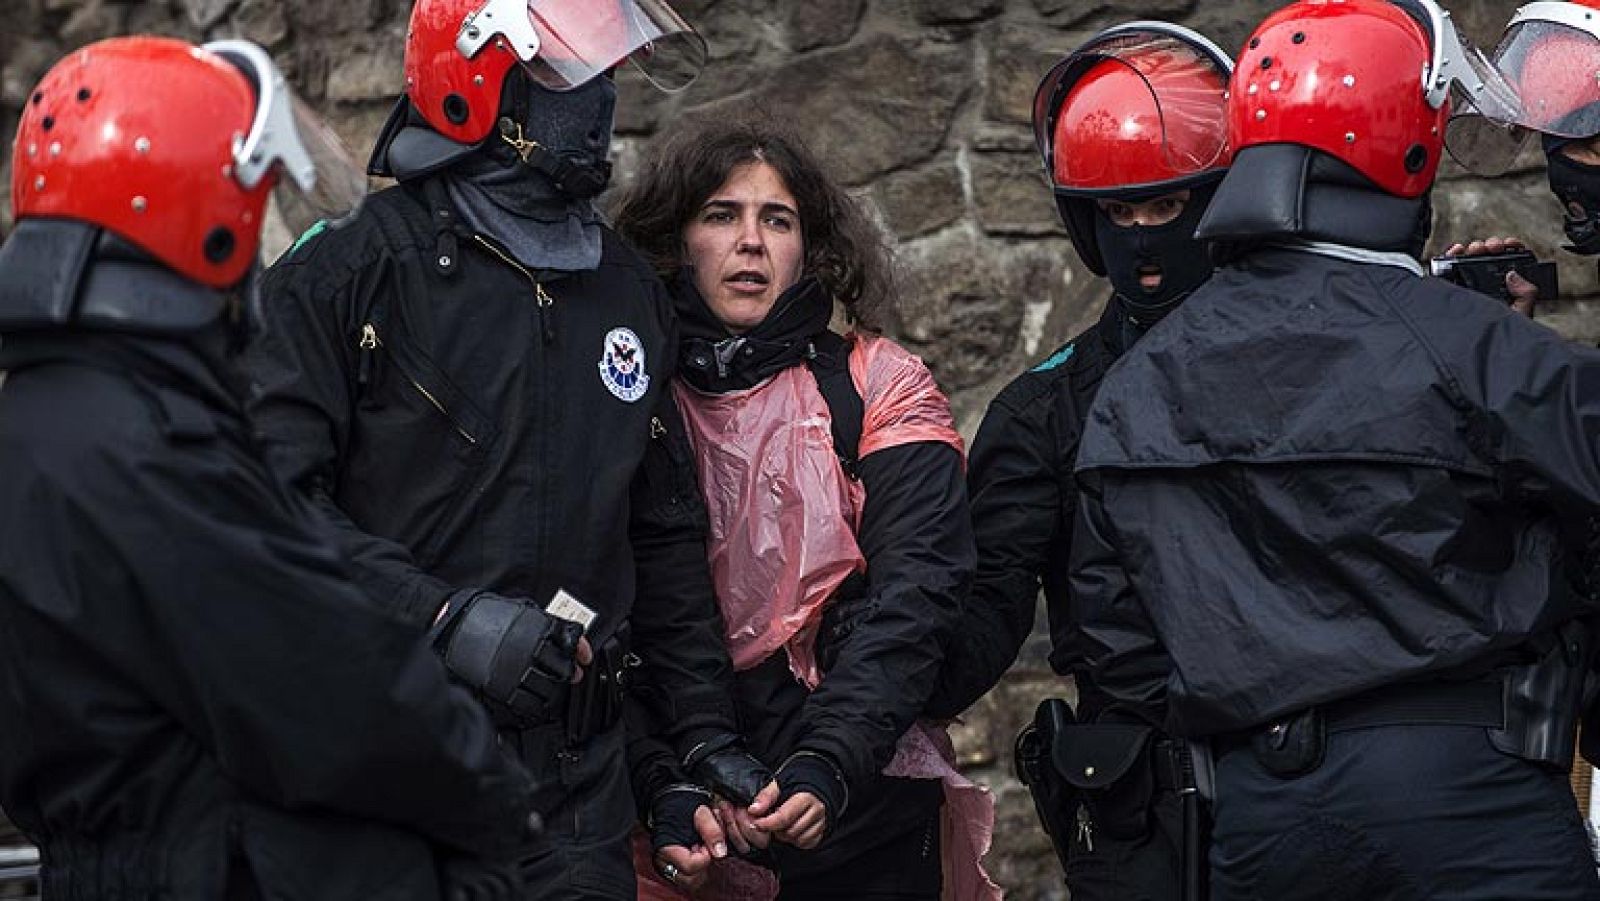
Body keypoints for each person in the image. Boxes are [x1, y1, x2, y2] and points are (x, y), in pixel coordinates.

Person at [1067, 0, 1600, 896]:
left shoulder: (1133, 383)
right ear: (1408, 143)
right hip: (1467, 801)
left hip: (1257, 820)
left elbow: (1117, 629)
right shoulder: (1476, 349)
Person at [0, 35, 542, 900]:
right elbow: (332, 681)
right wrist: (492, 795)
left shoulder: (44, 419)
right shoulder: (149, 445)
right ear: (202, 219)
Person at [246, 1, 767, 897]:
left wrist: (693, 753)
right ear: (476, 85)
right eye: (569, 75)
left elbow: (662, 546)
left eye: (605, 76)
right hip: (385, 781)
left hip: (575, 800)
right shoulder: (350, 273)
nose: (600, 101)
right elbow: (263, 509)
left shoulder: (627, 292)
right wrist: (443, 620)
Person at [612, 118, 991, 901]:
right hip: (687, 821)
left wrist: (830, 760)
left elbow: (916, 590)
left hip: (865, 805)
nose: (750, 241)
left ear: (808, 250)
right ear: (678, 241)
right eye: (722, 214)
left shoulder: (878, 383)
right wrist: (669, 778)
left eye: (776, 220)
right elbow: (607, 611)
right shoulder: (624, 399)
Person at [920, 22, 1234, 901]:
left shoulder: (1301, 357)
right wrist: (884, 687)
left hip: (1301, 776)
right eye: (1117, 213)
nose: (1140, 235)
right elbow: (986, 594)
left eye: (1164, 208)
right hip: (1138, 795)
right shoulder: (1043, 408)